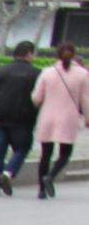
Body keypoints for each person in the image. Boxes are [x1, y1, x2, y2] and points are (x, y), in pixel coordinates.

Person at [31, 40, 87, 197]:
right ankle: (51, 176)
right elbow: (86, 100)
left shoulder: (47, 72)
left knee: (45, 154)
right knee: (65, 153)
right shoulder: (83, 74)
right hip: (69, 117)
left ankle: (41, 190)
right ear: (74, 54)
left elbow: (36, 97)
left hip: (47, 117)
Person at [0, 40, 38, 195]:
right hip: (23, 118)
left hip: (0, 116)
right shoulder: (35, 73)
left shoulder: (1, 70)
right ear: (29, 54)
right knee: (22, 148)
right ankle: (8, 172)